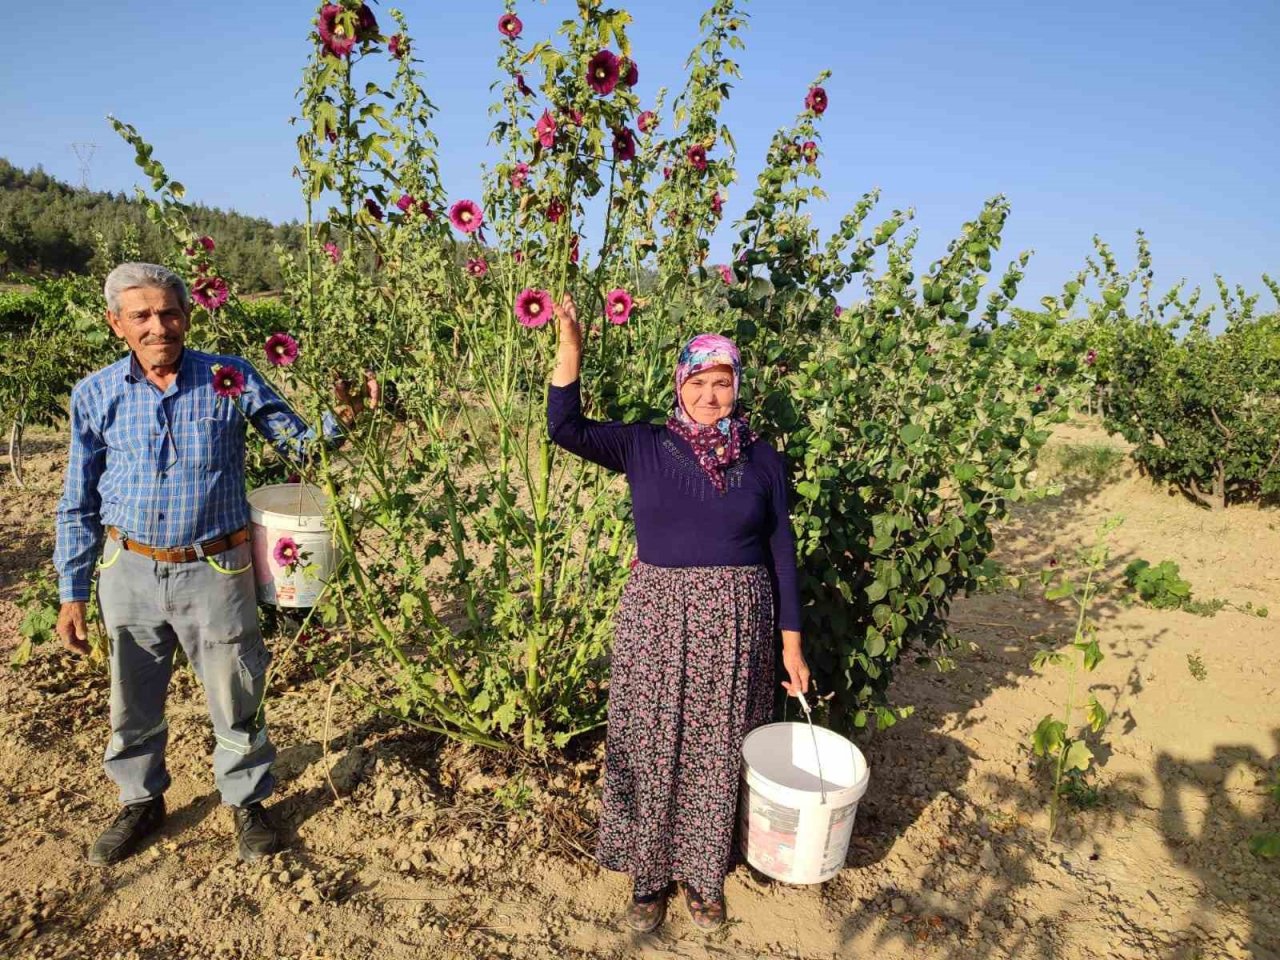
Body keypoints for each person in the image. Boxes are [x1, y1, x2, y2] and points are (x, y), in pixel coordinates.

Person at [53, 262, 375, 866]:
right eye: (142, 315)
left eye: (169, 312)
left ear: (188, 314)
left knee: (237, 690)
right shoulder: (95, 393)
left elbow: (299, 446)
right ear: (116, 323)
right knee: (133, 694)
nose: (158, 326)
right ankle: (140, 799)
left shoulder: (229, 376)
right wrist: (73, 591)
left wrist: (346, 420)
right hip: (129, 568)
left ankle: (247, 799)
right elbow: (77, 502)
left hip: (217, 567)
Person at [547, 294, 810, 933]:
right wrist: (571, 351)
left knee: (718, 748)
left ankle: (702, 875)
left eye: (723, 383)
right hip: (657, 615)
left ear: (738, 387)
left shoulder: (763, 458)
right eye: (700, 382)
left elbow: (782, 549)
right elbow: (565, 429)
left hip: (737, 619)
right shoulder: (645, 445)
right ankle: (648, 875)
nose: (712, 396)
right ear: (680, 384)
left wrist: (791, 642)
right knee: (651, 738)